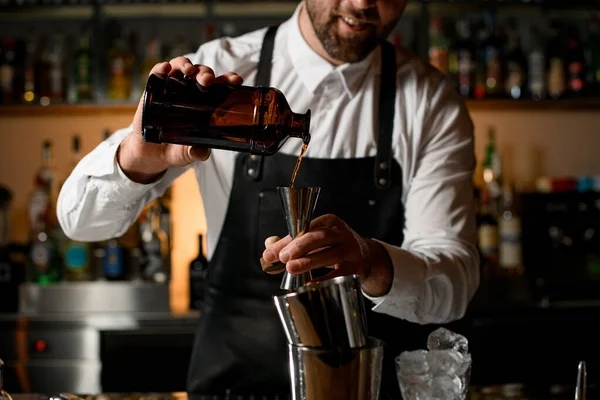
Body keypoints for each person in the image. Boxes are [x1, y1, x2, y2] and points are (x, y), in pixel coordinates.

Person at [57, 0, 480, 397]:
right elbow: (80, 220)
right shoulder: (224, 69)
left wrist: (371, 261)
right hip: (230, 384)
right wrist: (138, 158)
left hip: (362, 388)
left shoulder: (429, 101)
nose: (362, 3)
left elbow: (455, 282)